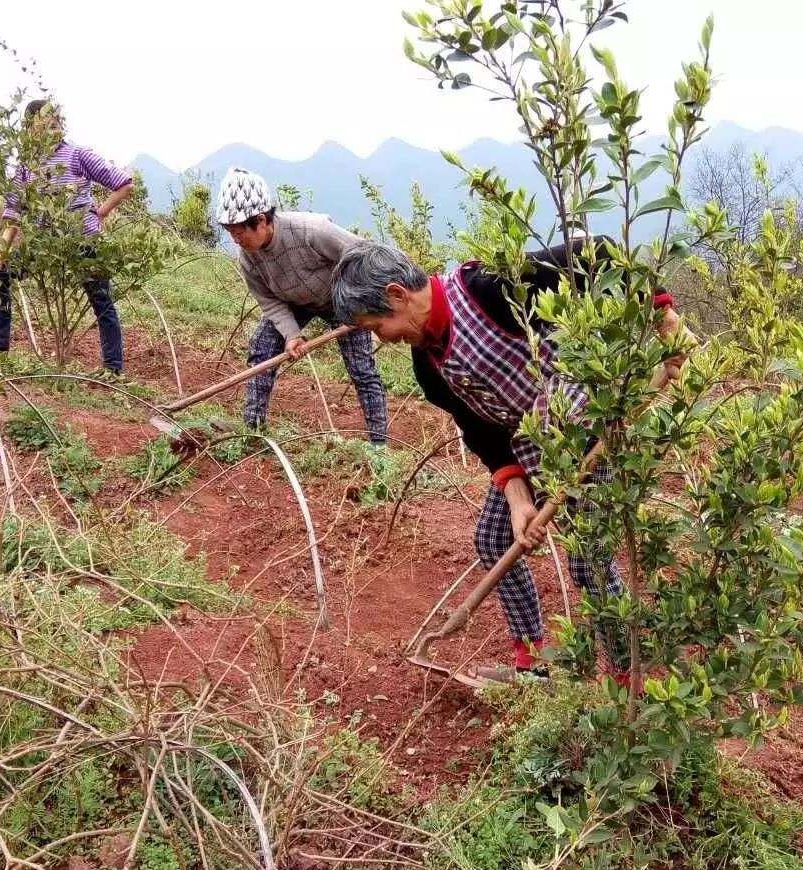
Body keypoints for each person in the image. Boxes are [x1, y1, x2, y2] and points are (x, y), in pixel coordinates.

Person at [330, 239, 682, 683]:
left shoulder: (489, 288)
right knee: (495, 539)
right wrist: (518, 500)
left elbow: (596, 253)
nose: (384, 338)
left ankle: (628, 680)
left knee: (588, 557)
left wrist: (663, 315)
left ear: (398, 295)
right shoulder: (428, 366)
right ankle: (534, 663)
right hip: (531, 445)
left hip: (587, 427)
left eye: (377, 325)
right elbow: (481, 431)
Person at [215, 168, 388, 444]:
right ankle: (253, 429)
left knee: (362, 369)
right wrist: (292, 335)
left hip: (341, 299)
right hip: (294, 303)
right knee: (261, 348)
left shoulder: (312, 230)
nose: (236, 240)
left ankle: (379, 444)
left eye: (239, 233)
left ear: (261, 220)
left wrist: (364, 302)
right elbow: (269, 301)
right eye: (231, 233)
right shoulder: (248, 258)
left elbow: (363, 255)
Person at [0, 99, 134, 374]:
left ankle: (113, 370)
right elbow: (15, 210)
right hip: (44, 246)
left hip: (82, 243)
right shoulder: (26, 165)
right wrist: (3, 250)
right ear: (30, 128)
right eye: (44, 122)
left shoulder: (78, 155)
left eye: (56, 121)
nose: (52, 127)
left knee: (101, 301)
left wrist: (98, 214)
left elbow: (125, 184)